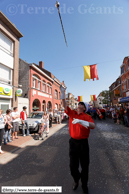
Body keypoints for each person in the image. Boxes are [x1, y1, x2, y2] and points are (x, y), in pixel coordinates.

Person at [61, 86, 95, 194]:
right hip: (73, 143)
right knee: (72, 166)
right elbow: (64, 104)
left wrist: (81, 122)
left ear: (84, 109)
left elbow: (93, 125)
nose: (79, 105)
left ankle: (84, 185)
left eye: (82, 105)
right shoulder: (72, 113)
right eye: (79, 104)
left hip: (83, 144)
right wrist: (62, 93)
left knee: (85, 166)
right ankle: (76, 179)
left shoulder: (87, 116)